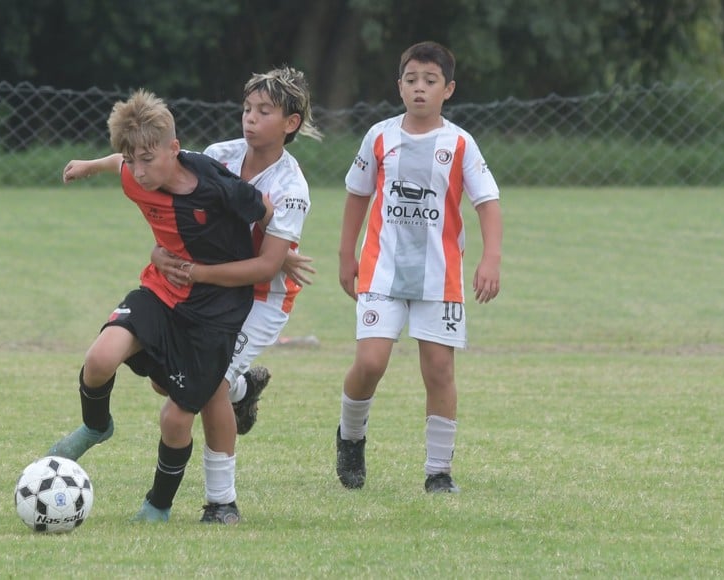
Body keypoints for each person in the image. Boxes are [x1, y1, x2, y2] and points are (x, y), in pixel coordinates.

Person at [48, 88, 286, 525]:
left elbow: (265, 212)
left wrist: (282, 252)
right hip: (160, 292)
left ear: (174, 149)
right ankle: (96, 427)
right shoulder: (133, 169)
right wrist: (88, 167)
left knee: (175, 416)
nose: (138, 171)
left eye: (148, 160)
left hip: (213, 314)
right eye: (133, 159)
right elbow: (118, 162)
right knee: (100, 357)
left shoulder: (215, 185)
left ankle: (158, 504)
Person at [335, 41, 503, 493]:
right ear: (400, 86)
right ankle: (350, 437)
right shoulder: (380, 136)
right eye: (411, 80)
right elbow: (357, 195)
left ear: (448, 89)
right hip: (381, 269)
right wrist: (345, 254)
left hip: (440, 275)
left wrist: (491, 258)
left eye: (430, 81)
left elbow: (487, 202)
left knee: (439, 369)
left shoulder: (461, 143)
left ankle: (438, 472)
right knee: (370, 362)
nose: (419, 89)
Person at [152, 66, 322, 438]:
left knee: (210, 384)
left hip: (263, 297)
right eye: (247, 108)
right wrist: (159, 251)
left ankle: (222, 493)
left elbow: (266, 268)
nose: (251, 118)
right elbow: (176, 204)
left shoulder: (290, 186)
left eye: (264, 111)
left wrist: (198, 272)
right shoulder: (218, 155)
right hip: (214, 287)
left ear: (290, 123)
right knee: (165, 379)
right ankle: (244, 390)